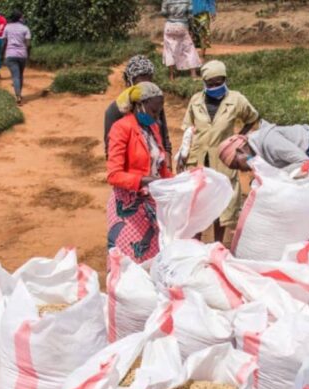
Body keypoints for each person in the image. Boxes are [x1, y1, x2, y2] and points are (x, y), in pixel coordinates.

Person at [218, 121, 309, 241]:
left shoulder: (269, 142)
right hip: (308, 159)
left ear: (241, 151)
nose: (243, 170)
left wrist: (273, 177)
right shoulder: (256, 153)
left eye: (238, 166)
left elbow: (304, 162)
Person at [181, 60, 259, 243]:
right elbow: (188, 128)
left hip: (222, 161)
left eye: (219, 82)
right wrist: (183, 153)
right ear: (204, 83)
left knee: (221, 206)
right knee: (197, 206)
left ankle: (217, 244)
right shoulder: (196, 101)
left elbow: (252, 117)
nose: (216, 87)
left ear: (225, 80)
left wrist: (239, 138)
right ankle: (195, 245)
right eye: (211, 83)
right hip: (198, 160)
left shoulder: (236, 99)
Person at [106, 82, 173, 263]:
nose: (156, 116)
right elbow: (113, 175)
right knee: (130, 263)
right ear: (138, 105)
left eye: (159, 111)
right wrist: (144, 180)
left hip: (150, 205)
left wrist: (180, 181)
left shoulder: (153, 129)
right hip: (128, 208)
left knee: (154, 260)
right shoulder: (121, 128)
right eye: (153, 111)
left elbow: (160, 168)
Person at [104, 55, 172, 166]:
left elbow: (164, 140)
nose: (146, 86)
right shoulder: (115, 111)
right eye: (140, 81)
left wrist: (167, 169)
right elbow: (111, 151)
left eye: (149, 80)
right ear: (129, 81)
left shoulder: (154, 104)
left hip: (156, 171)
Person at [161, 0, 200, 81]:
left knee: (169, 50)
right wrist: (191, 29)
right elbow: (190, 16)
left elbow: (163, 13)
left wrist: (172, 15)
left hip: (169, 26)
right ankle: (193, 74)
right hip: (182, 26)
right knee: (189, 49)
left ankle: (171, 76)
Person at [1, 10, 31, 105]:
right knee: (20, 75)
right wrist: (28, 55)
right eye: (22, 17)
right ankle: (19, 94)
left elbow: (4, 43)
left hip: (10, 54)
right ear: (19, 18)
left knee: (15, 76)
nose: (23, 18)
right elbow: (28, 44)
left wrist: (2, 54)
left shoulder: (7, 27)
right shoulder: (25, 28)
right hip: (22, 55)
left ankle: (17, 96)